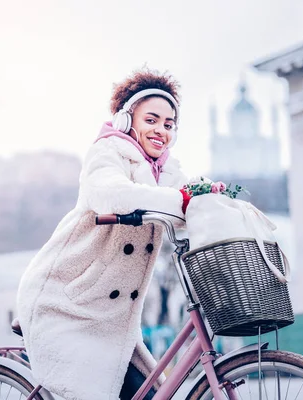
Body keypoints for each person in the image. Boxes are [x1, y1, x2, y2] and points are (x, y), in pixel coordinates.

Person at [16, 68, 190, 400]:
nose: (161, 131)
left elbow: (187, 201)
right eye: (151, 120)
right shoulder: (106, 153)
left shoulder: (167, 173)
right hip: (66, 304)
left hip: (113, 322)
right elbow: (113, 194)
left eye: (169, 125)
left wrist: (217, 206)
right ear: (127, 120)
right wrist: (178, 201)